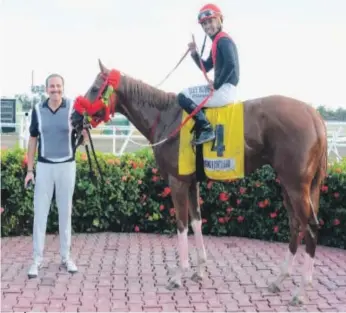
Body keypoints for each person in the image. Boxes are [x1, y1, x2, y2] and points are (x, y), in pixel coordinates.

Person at [25, 73, 85, 278]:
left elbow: (83, 139)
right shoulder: (37, 111)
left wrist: (86, 129)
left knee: (65, 213)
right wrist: (30, 170)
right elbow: (33, 140)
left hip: (67, 166)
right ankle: (37, 259)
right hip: (44, 167)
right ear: (46, 89)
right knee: (40, 214)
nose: (55, 90)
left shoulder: (74, 109)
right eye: (52, 87)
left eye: (58, 86)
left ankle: (66, 257)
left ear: (63, 88)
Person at [177, 3, 240, 145]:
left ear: (219, 20)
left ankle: (206, 129)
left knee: (182, 96)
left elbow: (231, 64)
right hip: (224, 89)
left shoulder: (223, 40)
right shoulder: (217, 42)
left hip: (225, 90)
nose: (207, 26)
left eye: (210, 21)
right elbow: (205, 66)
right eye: (204, 24)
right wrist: (194, 53)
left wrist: (216, 85)